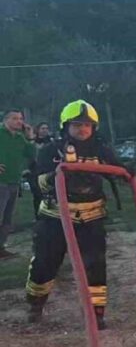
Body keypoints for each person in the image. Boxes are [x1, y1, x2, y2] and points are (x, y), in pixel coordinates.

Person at [26, 100, 124, 330]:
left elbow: (119, 170)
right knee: (45, 263)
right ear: (65, 126)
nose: (82, 129)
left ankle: (96, 314)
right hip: (55, 217)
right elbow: (37, 181)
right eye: (77, 124)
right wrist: (53, 177)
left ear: (94, 128)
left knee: (95, 266)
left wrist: (126, 173)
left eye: (88, 125)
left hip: (91, 217)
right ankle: (36, 305)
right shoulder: (51, 151)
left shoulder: (101, 150)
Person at [0, 109, 35, 260]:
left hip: (14, 181)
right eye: (15, 118)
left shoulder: (20, 138)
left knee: (7, 218)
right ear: (5, 120)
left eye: (21, 118)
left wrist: (30, 137)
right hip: (1, 181)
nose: (19, 121)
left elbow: (32, 155)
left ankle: (1, 247)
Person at [25, 122, 55, 219]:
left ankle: (49, 215)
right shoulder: (32, 143)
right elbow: (28, 156)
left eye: (46, 128)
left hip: (48, 171)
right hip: (34, 172)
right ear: (38, 130)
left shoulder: (52, 142)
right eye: (42, 128)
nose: (45, 130)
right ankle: (37, 215)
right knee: (37, 195)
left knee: (50, 194)